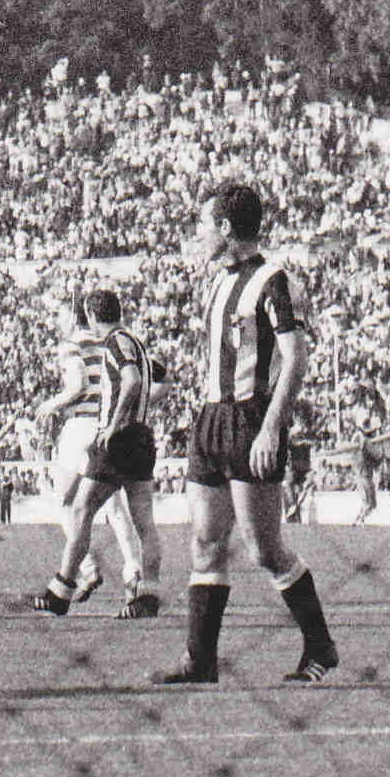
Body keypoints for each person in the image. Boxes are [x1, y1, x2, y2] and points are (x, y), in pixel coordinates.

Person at [154, 182, 339, 687]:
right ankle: (201, 662)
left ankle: (320, 644)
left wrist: (271, 429)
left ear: (226, 228)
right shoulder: (217, 282)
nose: (197, 234)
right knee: (205, 540)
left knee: (263, 548)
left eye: (203, 224)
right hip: (210, 418)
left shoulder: (274, 280)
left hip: (251, 419)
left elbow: (296, 358)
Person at [29, 288, 159, 621]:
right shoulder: (135, 340)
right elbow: (154, 379)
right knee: (142, 519)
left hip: (119, 441)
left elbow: (129, 381)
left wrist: (113, 425)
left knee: (80, 507)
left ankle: (62, 588)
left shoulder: (115, 341)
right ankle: (148, 593)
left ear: (90, 313)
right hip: (142, 437)